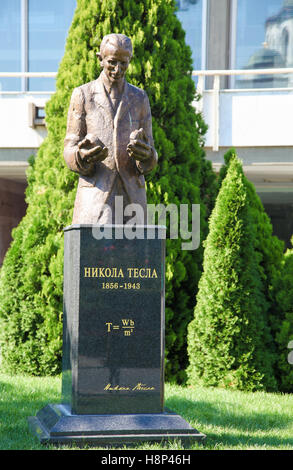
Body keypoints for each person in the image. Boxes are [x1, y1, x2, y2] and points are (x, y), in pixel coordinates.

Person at [64, 33, 158, 224]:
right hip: (95, 197)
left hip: (132, 200)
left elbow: (151, 153)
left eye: (124, 63)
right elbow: (69, 147)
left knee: (137, 254)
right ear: (100, 59)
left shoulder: (140, 98)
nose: (118, 69)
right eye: (112, 62)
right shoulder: (83, 94)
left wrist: (146, 156)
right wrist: (82, 156)